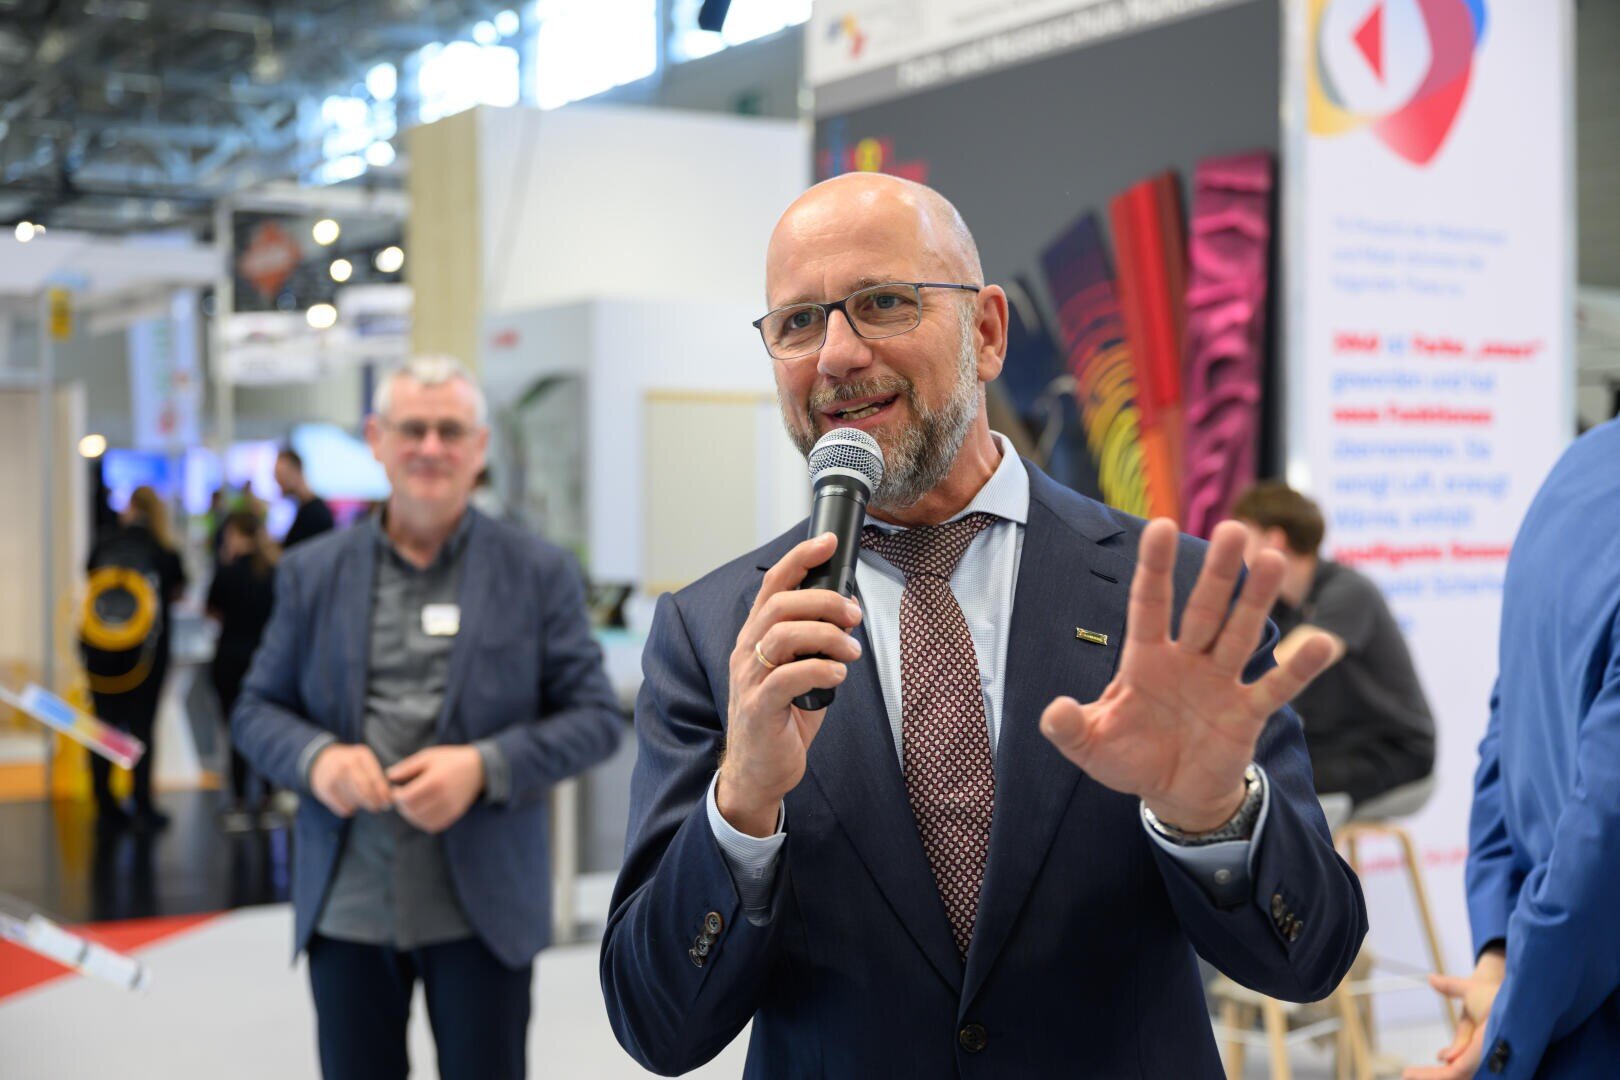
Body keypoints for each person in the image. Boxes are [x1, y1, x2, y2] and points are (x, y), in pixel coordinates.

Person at [600, 175, 1367, 1076]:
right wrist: (742, 805)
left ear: (989, 332)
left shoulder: (1170, 597)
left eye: (882, 302)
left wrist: (1215, 818)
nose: (837, 355)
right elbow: (658, 1025)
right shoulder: (717, 634)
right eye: (798, 323)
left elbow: (1308, 959)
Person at [234, 355, 623, 1080]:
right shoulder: (311, 572)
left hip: (483, 907)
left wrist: (483, 767)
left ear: (479, 448)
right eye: (413, 429)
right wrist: (318, 757)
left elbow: (596, 717)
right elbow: (256, 709)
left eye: (451, 430)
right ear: (376, 439)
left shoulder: (539, 572)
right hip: (348, 899)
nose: (431, 448)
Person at [1405, 418, 1620, 1079]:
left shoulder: (1578, 468)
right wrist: (1511, 1028)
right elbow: (1607, 825)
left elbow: (1507, 727)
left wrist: (1499, 955)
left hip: (1554, 1007)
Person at [1232, 482, 1436, 816]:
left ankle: (1304, 867)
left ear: (1274, 540)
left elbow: (1288, 662)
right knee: (1248, 765)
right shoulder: (1281, 606)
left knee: (1266, 779)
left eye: (1244, 534)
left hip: (1393, 750)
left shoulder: (1348, 591)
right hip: (1334, 743)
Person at [82, 485, 187, 832]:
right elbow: (178, 589)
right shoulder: (162, 550)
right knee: (142, 728)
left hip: (101, 651)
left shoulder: (105, 542)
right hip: (146, 655)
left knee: (104, 727)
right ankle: (142, 803)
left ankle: (105, 804)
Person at [205, 510, 279, 832]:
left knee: (235, 728)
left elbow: (212, 611)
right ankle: (266, 797)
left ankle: (236, 801)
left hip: (231, 658)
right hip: (265, 660)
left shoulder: (227, 571)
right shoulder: (275, 572)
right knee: (266, 728)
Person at [274, 446, 335, 549]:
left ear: (296, 471)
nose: (277, 480)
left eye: (281, 474)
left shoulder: (315, 514)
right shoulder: (306, 509)